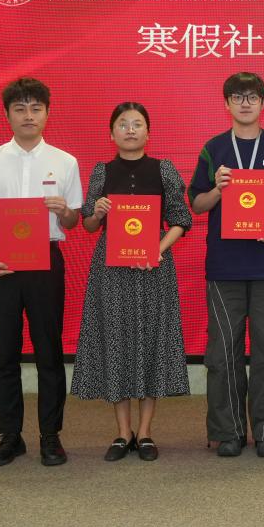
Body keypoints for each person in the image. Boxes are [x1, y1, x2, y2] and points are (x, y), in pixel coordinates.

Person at [0, 77, 82, 466]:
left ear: (47, 113)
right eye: (20, 108)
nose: (28, 115)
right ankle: (10, 436)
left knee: (49, 351)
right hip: (1, 263)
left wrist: (65, 211)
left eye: (36, 108)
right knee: (5, 353)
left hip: (46, 261)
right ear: (7, 114)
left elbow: (73, 222)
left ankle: (50, 436)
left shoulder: (65, 161)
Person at [189, 72, 264, 458]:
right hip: (224, 266)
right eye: (237, 97)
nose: (244, 103)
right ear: (226, 103)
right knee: (223, 352)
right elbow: (197, 204)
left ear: (263, 103)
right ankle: (229, 431)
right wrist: (217, 189)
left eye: (252, 97)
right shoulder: (214, 149)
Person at [70, 102, 191, 462]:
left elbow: (181, 219)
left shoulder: (163, 169)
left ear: (148, 132)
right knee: (116, 343)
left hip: (154, 267)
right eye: (123, 124)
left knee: (152, 342)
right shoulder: (102, 171)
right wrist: (97, 213)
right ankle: (123, 433)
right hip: (112, 270)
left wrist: (158, 249)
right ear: (112, 134)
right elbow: (88, 225)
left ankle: (147, 432)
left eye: (137, 124)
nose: (130, 130)